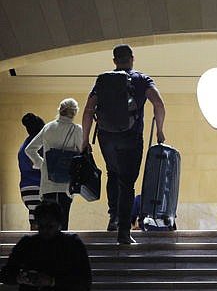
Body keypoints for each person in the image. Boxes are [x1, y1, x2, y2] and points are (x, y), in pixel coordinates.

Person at [81, 44, 166, 244]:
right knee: (127, 183)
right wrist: (160, 130)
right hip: (131, 136)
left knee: (113, 173)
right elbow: (159, 104)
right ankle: (124, 232)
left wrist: (85, 139)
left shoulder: (102, 80)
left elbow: (87, 110)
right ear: (132, 58)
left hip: (106, 136)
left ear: (114, 61)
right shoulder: (142, 79)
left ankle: (113, 218)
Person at [0, 200, 92, 290]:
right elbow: (5, 275)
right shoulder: (27, 244)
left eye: (49, 226)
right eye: (41, 226)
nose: (45, 230)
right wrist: (19, 278)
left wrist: (52, 281)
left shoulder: (72, 244)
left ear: (59, 224)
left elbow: (85, 281)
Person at [25, 98, 83, 230]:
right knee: (63, 222)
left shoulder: (48, 127)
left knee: (47, 222)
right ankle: (62, 249)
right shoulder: (76, 130)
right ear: (74, 112)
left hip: (48, 183)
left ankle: (46, 249)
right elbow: (81, 153)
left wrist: (42, 164)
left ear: (60, 110)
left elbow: (29, 149)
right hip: (66, 184)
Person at [18, 113, 45, 230]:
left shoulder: (24, 145)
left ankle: (34, 246)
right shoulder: (39, 144)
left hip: (25, 188)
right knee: (43, 221)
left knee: (34, 218)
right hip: (38, 186)